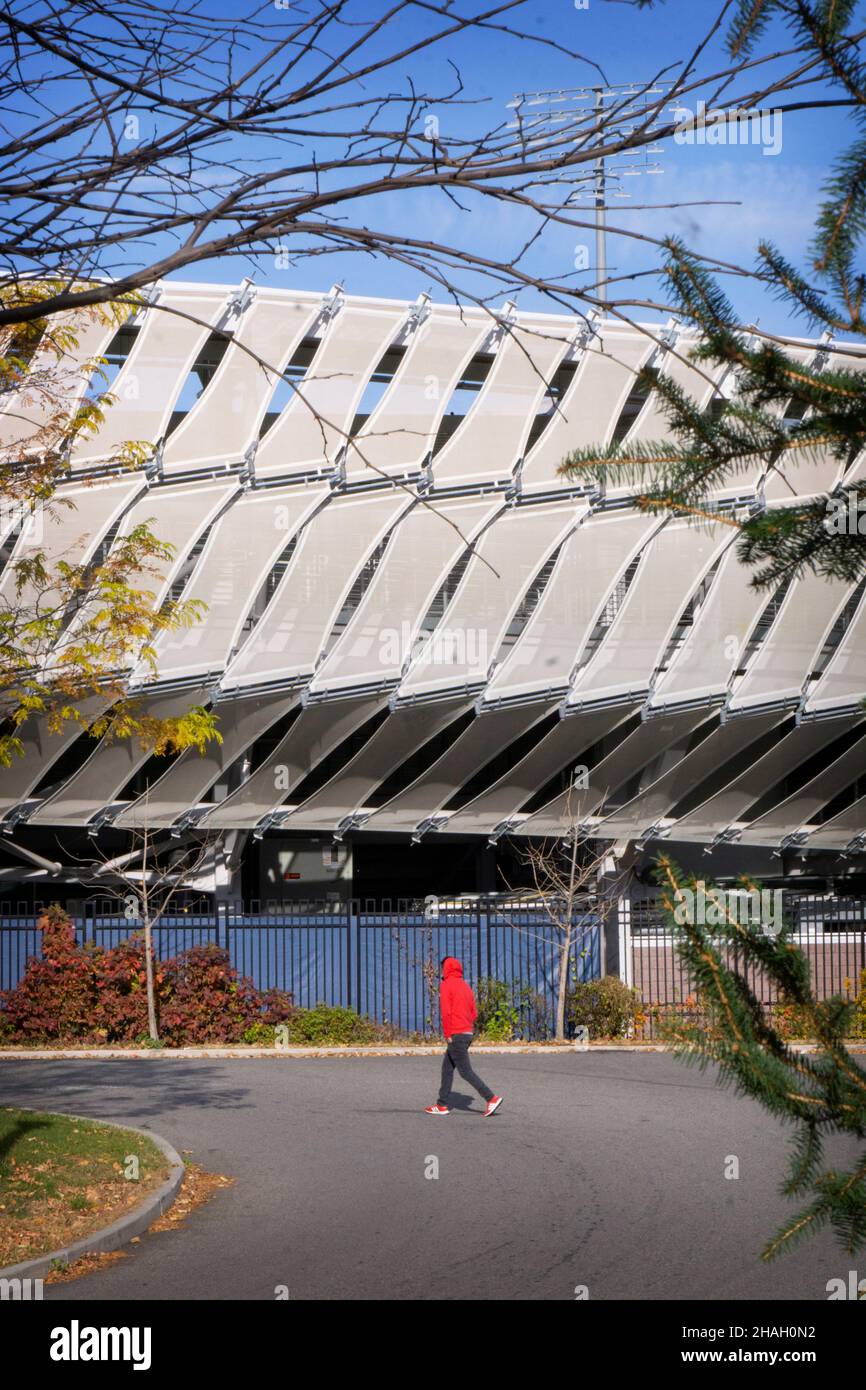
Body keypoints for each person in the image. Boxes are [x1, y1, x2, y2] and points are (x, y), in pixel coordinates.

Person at [425, 956, 502, 1117]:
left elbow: (446, 1012)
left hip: (456, 1033)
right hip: (467, 1032)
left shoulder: (446, 985)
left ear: (445, 969)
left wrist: (448, 1034)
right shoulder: (466, 986)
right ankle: (442, 1104)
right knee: (447, 1068)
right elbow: (474, 1013)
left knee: (465, 1071)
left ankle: (491, 1097)